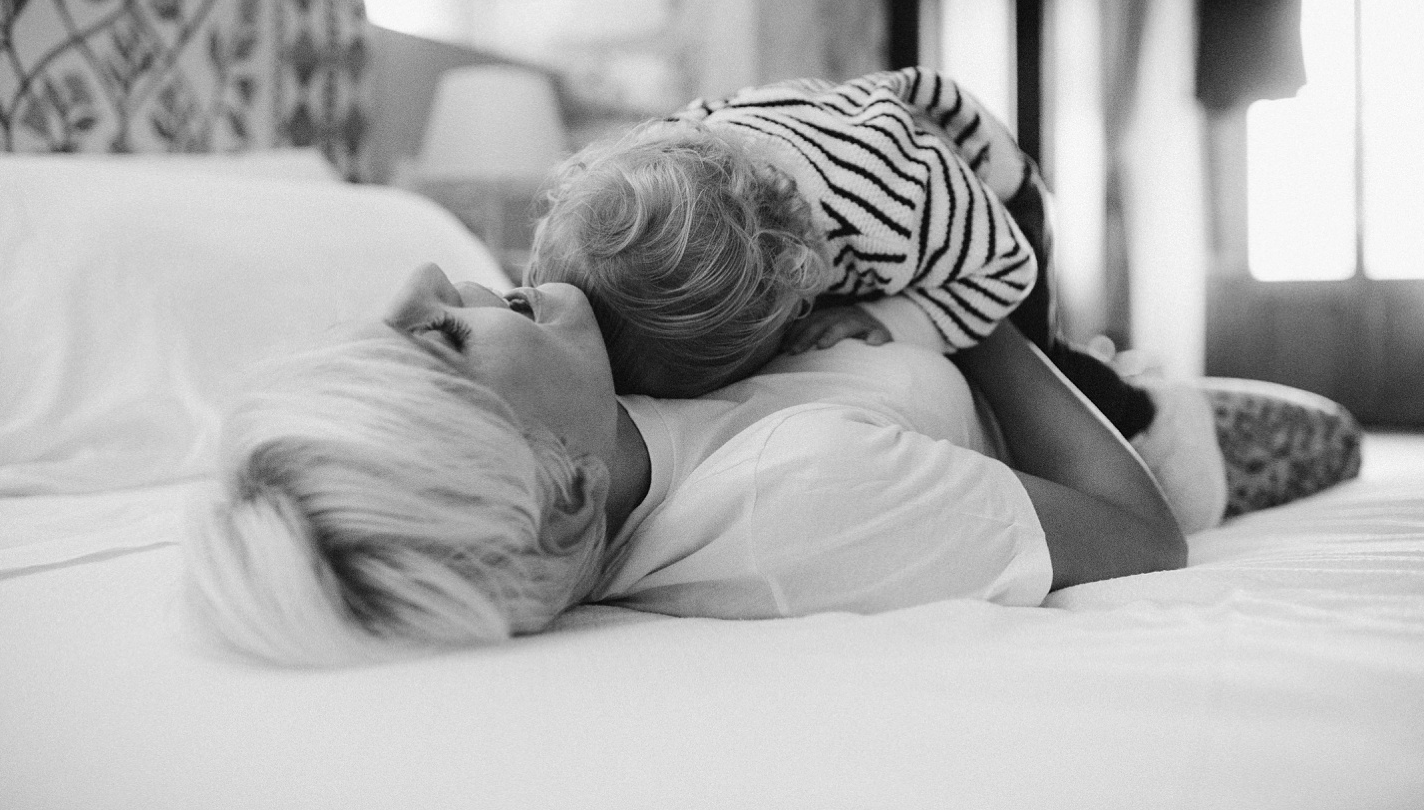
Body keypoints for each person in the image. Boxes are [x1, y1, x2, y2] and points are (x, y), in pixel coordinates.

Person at [184, 263, 1187, 666]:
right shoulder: (797, 490)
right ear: (565, 493)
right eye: (442, 336)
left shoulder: (601, 404)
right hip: (1139, 425)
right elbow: (1143, 533)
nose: (425, 275)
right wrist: (963, 295)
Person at [525, 67, 1226, 532]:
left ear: (791, 306)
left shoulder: (889, 211)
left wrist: (894, 317)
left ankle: (1144, 413)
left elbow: (1004, 270)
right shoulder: (657, 166)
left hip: (986, 200)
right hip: (835, 172)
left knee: (1039, 361)